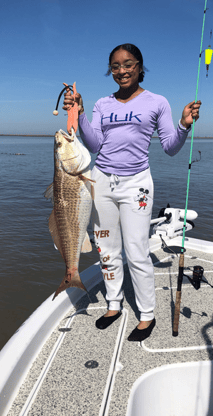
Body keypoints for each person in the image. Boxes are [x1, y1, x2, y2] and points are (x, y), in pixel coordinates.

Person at [63, 43, 201, 341]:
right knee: (106, 249)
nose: (122, 71)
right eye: (115, 66)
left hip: (136, 183)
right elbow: (94, 144)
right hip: (101, 181)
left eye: (128, 64)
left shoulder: (157, 102)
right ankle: (114, 304)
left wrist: (184, 125)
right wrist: (81, 114)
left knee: (137, 251)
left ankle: (147, 314)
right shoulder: (103, 104)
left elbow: (170, 147)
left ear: (140, 66)